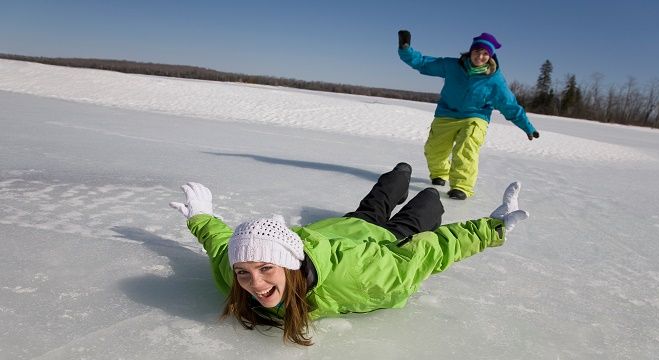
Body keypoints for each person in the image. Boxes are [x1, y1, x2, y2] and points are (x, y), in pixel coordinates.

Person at [169, 163, 529, 346]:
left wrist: (491, 228)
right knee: (374, 207)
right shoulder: (234, 273)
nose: (254, 283)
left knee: (421, 210)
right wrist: (201, 216)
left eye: (265, 268)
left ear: (290, 263)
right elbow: (221, 243)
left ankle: (404, 175)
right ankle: (406, 181)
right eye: (244, 272)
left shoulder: (363, 275)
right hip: (340, 229)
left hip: (384, 241)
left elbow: (428, 253)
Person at [397, 30, 540, 200]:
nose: (480, 57)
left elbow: (509, 105)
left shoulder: (494, 79)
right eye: (477, 52)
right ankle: (440, 173)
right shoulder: (452, 66)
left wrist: (527, 127)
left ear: (491, 56)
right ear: (470, 51)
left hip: (476, 116)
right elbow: (422, 63)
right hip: (447, 114)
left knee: (467, 147)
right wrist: (405, 48)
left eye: (485, 53)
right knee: (434, 149)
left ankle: (462, 186)